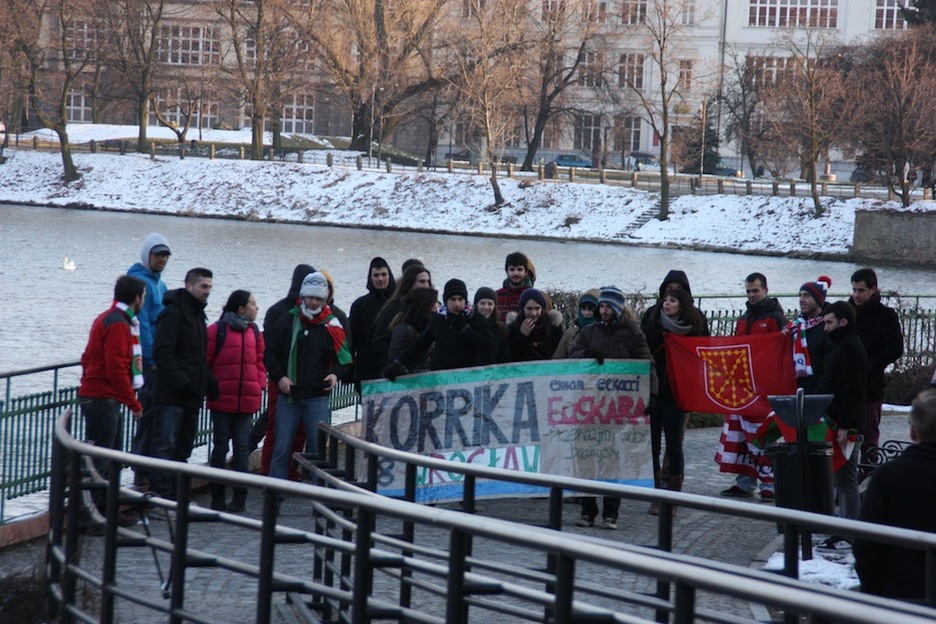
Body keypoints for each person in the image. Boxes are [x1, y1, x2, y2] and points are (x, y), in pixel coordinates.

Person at [571, 286, 657, 530]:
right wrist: (589, 356)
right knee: (586, 458)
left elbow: (646, 365)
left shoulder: (632, 334)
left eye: (608, 306)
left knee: (612, 458)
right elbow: (573, 357)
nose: (603, 310)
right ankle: (588, 510)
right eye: (602, 306)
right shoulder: (588, 332)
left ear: (617, 309)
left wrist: (651, 395)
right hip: (590, 404)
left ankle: (611, 512)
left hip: (617, 406)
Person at [264, 272, 351, 481]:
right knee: (282, 446)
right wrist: (280, 377)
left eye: (318, 299)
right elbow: (270, 353)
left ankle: (317, 493)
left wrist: (335, 375)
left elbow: (343, 358)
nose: (313, 303)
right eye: (310, 297)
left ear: (324, 299)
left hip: (317, 396)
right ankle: (275, 491)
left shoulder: (331, 325)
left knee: (317, 449)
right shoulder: (288, 320)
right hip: (290, 395)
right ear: (302, 296)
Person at [854, 388, 936, 601]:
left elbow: (867, 543)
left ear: (913, 432)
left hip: (901, 592)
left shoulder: (889, 475)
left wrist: (875, 593)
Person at [78, 275, 146, 526]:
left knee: (109, 458)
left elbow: (87, 357)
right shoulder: (119, 324)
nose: (144, 301)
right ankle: (95, 516)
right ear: (136, 298)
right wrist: (134, 404)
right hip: (103, 398)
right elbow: (117, 368)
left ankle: (107, 511)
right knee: (102, 461)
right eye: (143, 296)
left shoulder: (107, 317)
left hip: (97, 395)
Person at [149, 268, 217, 500]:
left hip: (191, 395)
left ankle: (176, 498)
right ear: (189, 286)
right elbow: (162, 353)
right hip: (171, 396)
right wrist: (183, 383)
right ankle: (160, 499)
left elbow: (197, 357)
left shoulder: (198, 315)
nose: (208, 291)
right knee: (164, 447)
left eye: (210, 287)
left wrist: (209, 381)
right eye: (203, 286)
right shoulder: (173, 313)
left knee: (183, 448)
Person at [719, 272, 786, 500]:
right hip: (743, 386)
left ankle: (771, 482)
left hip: (764, 387)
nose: (751, 295)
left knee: (762, 434)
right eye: (748, 291)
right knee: (741, 435)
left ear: (766, 290)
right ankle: (745, 482)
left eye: (755, 290)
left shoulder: (775, 318)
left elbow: (781, 351)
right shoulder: (744, 317)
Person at [643, 287, 708, 514]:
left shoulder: (693, 328)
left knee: (674, 448)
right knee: (652, 447)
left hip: (677, 395)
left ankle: (672, 498)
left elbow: (701, 355)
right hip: (654, 393)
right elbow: (643, 348)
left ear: (682, 305)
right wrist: (658, 336)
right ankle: (655, 496)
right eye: (665, 300)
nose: (666, 303)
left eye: (672, 300)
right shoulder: (654, 323)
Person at [815, 300, 868, 552]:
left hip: (846, 425)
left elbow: (853, 391)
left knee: (846, 481)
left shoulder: (850, 349)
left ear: (843, 322)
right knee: (842, 481)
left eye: (829, 322)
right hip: (838, 420)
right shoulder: (841, 345)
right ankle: (845, 530)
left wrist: (846, 426)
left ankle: (850, 534)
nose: (825, 328)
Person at [206, 290, 266, 512]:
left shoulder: (255, 332)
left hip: (246, 399)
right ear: (241, 308)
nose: (256, 308)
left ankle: (240, 498)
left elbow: (260, 362)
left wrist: (259, 384)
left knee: (241, 448)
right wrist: (212, 388)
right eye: (253, 304)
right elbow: (206, 362)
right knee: (220, 445)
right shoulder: (217, 330)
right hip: (222, 399)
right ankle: (217, 497)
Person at [256, 264, 315, 477]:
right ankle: (269, 473)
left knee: (300, 430)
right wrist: (279, 375)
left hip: (303, 380)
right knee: (276, 427)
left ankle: (291, 473)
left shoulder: (311, 312)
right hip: (281, 379)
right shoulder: (279, 312)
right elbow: (270, 350)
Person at [128, 232, 171, 488]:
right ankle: (141, 469)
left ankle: (147, 466)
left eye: (165, 255)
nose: (161, 259)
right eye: (157, 254)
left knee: (155, 415)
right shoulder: (141, 284)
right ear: (147, 255)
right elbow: (142, 326)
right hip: (149, 362)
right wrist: (152, 359)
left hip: (158, 360)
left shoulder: (160, 285)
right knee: (148, 415)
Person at [384, 279, 492, 376]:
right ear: (446, 301)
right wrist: (398, 362)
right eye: (453, 299)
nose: (457, 304)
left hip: (468, 374)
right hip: (442, 376)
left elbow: (488, 347)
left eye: (460, 299)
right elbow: (421, 344)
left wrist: (464, 327)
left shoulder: (475, 318)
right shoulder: (438, 319)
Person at [849, 268, 903, 457]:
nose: (856, 295)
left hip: (870, 384)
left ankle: (869, 467)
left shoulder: (885, 315)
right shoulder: (847, 312)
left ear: (872, 290)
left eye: (861, 290)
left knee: (869, 435)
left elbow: (895, 348)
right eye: (854, 290)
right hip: (846, 383)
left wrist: (870, 365)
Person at [370, 264, 433, 369]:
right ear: (410, 284)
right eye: (422, 281)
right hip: (398, 367)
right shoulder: (393, 308)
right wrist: (396, 361)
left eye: (428, 282)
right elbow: (379, 341)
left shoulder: (431, 309)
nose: (426, 285)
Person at [349, 257, 396, 389]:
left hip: (392, 366)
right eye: (376, 275)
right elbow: (352, 340)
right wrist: (349, 370)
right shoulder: (359, 305)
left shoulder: (399, 303)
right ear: (370, 278)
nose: (380, 279)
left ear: (389, 276)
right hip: (367, 368)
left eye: (384, 274)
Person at [787, 277, 831, 394]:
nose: (801, 300)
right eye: (800, 295)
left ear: (818, 299)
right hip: (798, 388)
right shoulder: (796, 326)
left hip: (819, 391)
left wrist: (819, 389)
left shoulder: (827, 326)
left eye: (806, 295)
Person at [383, 288, 439, 376]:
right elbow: (394, 357)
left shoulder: (433, 326)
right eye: (435, 302)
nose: (438, 305)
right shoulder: (404, 329)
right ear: (426, 305)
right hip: (412, 380)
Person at [508, 288, 562, 361]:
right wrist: (522, 335)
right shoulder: (513, 327)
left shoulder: (554, 327)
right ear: (522, 309)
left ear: (542, 309)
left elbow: (559, 354)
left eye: (537, 308)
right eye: (529, 309)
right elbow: (509, 355)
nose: (533, 313)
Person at [553, 289, 599, 359]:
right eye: (583, 308)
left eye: (590, 309)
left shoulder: (606, 333)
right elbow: (556, 361)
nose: (586, 313)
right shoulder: (570, 334)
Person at [473, 287, 510, 363]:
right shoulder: (468, 326)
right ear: (476, 305)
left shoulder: (501, 329)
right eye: (482, 303)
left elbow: (505, 357)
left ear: (494, 306)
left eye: (490, 304)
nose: (486, 307)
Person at [496, 251, 535, 321]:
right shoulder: (497, 296)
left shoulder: (534, 296)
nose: (516, 273)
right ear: (506, 271)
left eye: (520, 269)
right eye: (512, 269)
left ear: (526, 272)